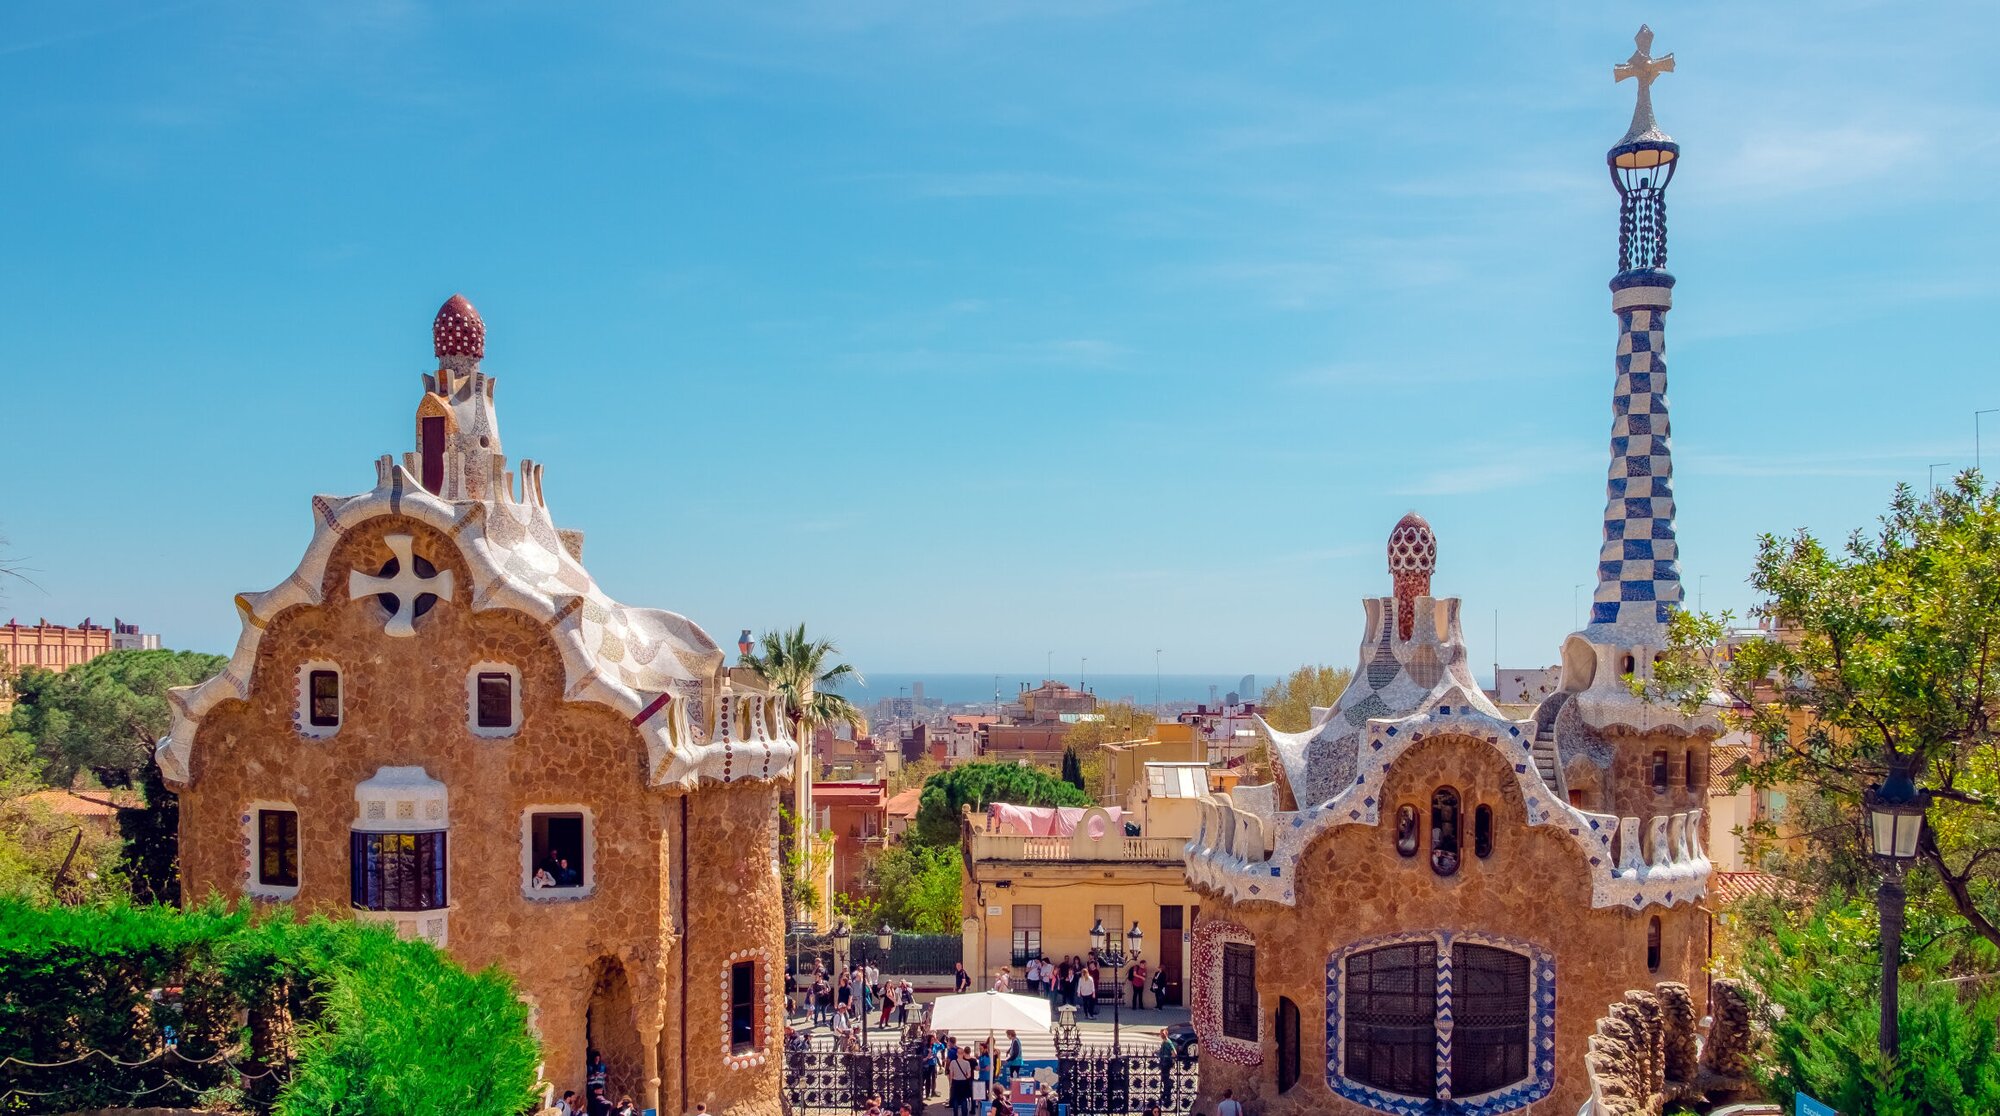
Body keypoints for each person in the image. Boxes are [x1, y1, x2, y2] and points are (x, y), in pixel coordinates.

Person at [946, 1041, 975, 1116]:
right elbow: (969, 1075)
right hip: (964, 1082)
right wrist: (965, 1076)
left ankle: (956, 1114)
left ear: (957, 1054)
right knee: (963, 1099)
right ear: (963, 1054)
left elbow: (951, 1074)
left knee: (955, 1099)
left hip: (955, 1082)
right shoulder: (967, 1063)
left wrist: (951, 1083)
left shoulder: (953, 1062)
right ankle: (964, 1114)